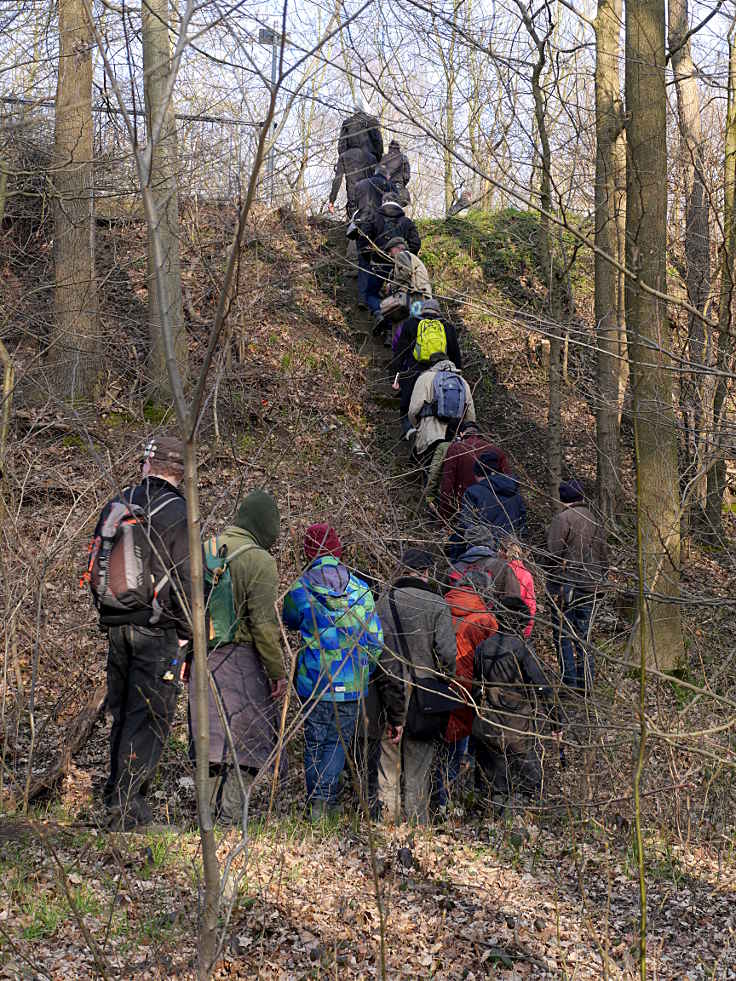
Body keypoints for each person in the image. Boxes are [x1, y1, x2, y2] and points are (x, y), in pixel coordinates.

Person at [95, 436, 194, 831]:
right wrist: (186, 635)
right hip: (158, 630)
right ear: (180, 472)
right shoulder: (180, 513)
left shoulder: (118, 504)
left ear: (147, 465)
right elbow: (189, 580)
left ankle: (113, 798)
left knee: (121, 713)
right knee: (149, 716)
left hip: (117, 626)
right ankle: (129, 810)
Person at [189, 490, 287, 825]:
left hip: (203, 661)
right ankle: (230, 818)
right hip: (243, 665)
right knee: (248, 747)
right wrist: (277, 671)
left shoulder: (205, 549)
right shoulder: (260, 560)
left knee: (210, 746)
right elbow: (263, 624)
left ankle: (206, 818)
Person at [283, 523, 383, 821]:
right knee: (337, 743)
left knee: (315, 741)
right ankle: (327, 802)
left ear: (308, 552)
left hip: (314, 684)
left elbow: (289, 619)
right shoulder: (361, 590)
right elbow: (376, 642)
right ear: (338, 551)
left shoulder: (300, 590)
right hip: (351, 686)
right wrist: (361, 671)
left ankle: (318, 805)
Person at [373, 549, 457, 824]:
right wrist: (443, 679)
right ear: (427, 572)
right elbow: (447, 655)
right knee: (418, 771)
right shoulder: (436, 604)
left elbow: (375, 648)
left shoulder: (382, 602)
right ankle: (416, 831)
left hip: (387, 690)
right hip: (425, 696)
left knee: (388, 767)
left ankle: (387, 828)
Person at [472, 597, 555, 813]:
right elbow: (542, 686)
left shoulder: (482, 648)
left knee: (496, 782)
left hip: (488, 722)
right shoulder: (522, 649)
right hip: (518, 725)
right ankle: (516, 820)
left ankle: (495, 820)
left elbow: (476, 687)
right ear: (520, 622)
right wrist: (557, 723)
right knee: (528, 780)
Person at [434, 571, 497, 813]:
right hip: (468, 690)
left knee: (441, 748)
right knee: (461, 749)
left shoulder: (439, 606)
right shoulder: (485, 620)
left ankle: (440, 802)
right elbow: (491, 658)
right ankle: (451, 804)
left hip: (436, 685)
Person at [545, 480, 608, 693]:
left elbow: (552, 553)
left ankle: (569, 682)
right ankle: (586, 683)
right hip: (591, 587)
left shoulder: (562, 519)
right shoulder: (595, 520)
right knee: (584, 636)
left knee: (563, 635)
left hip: (565, 586)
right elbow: (603, 557)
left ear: (563, 499)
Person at [408, 352, 475, 468]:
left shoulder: (424, 378)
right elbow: (470, 416)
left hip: (430, 434)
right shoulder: (461, 381)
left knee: (430, 470)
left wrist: (417, 426)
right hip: (455, 437)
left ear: (431, 364)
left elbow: (413, 410)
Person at [452, 452, 526, 552]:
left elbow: (467, 525)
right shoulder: (515, 492)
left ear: (478, 473)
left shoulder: (473, 492)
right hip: (511, 550)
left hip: (483, 550)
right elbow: (522, 524)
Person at [439, 423, 511, 518]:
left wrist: (444, 516)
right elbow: (507, 482)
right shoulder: (496, 450)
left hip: (462, 507)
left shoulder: (456, 448)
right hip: (491, 508)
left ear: (461, 434)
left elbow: (447, 483)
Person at [328, 145, 376, 218]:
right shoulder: (372, 157)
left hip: (353, 199)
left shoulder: (344, 156)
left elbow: (337, 180)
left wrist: (332, 200)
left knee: (354, 223)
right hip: (368, 199)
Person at [337, 100, 384, 165]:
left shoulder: (347, 123)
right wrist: (378, 160)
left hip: (351, 162)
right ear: (365, 108)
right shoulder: (372, 121)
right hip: (370, 161)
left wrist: (344, 161)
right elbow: (378, 143)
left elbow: (342, 146)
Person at [380, 138, 411, 204]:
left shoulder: (383, 158)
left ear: (389, 148)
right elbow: (407, 177)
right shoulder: (403, 158)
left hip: (385, 189)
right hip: (398, 188)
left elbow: (378, 173)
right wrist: (402, 183)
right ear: (398, 148)